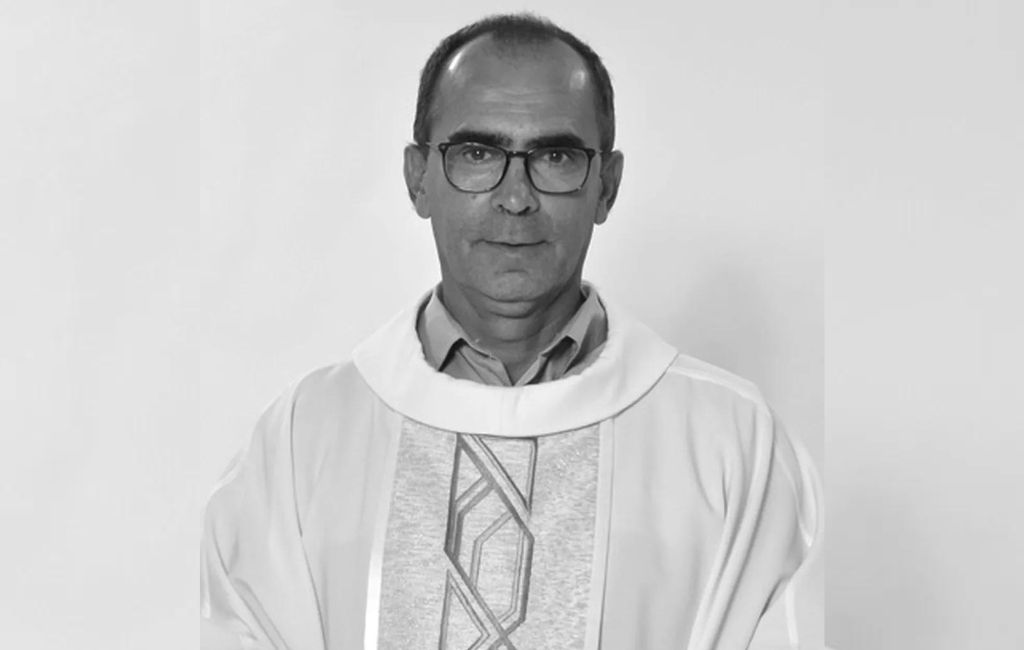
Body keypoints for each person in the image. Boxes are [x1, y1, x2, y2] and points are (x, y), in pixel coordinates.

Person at [201, 13, 821, 650]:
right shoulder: (304, 444)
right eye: (477, 154)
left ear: (606, 187)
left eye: (555, 157)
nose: (516, 197)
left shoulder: (731, 446)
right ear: (418, 178)